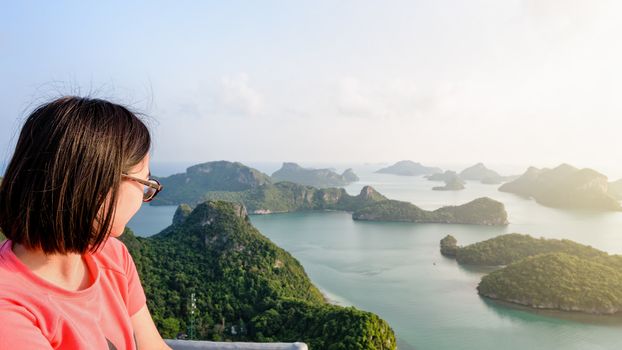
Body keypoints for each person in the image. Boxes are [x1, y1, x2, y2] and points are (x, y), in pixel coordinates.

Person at [0, 96, 172, 349]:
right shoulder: (10, 312)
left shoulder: (113, 256)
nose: (144, 195)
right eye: (145, 184)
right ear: (100, 184)